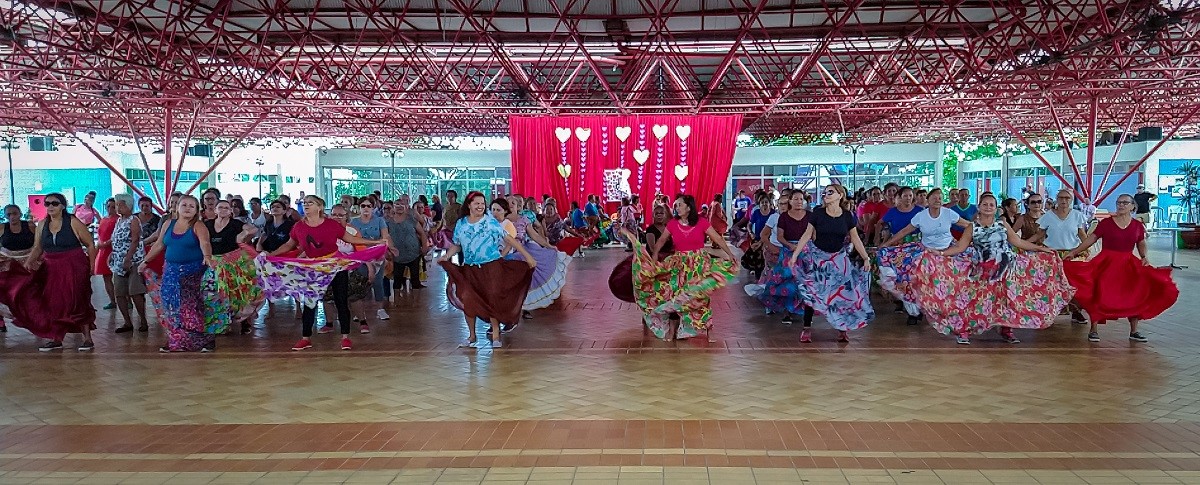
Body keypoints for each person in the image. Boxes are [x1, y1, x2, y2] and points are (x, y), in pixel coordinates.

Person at [931, 193, 1071, 344]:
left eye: (991, 205)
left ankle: (1006, 329)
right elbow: (960, 247)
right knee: (976, 301)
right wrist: (941, 253)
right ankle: (965, 330)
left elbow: (1017, 242)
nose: (988, 207)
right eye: (985, 204)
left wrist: (1040, 249)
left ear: (996, 208)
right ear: (979, 207)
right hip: (982, 270)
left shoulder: (1002, 225)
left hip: (1005, 269)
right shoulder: (972, 227)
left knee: (1005, 300)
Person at [270, 196, 388, 351]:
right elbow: (288, 245)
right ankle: (306, 338)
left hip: (335, 265)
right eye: (304, 203)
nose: (306, 205)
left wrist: (376, 242)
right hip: (314, 268)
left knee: (341, 301)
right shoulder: (299, 226)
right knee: (310, 303)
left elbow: (351, 239)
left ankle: (345, 337)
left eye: (309, 203)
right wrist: (272, 255)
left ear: (319, 207)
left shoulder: (331, 225)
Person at [624, 194, 739, 342]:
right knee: (675, 295)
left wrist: (729, 254)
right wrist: (654, 256)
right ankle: (672, 330)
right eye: (676, 205)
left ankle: (709, 329)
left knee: (699, 296)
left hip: (698, 264)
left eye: (679, 205)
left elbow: (717, 238)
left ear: (688, 207)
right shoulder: (672, 224)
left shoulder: (701, 222)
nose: (676, 208)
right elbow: (661, 240)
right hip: (679, 264)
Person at [1065, 194, 1179, 343]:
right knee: (1100, 294)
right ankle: (1093, 330)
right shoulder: (1106, 223)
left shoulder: (1138, 225)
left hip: (1128, 263)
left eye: (1125, 203)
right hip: (1106, 263)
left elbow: (1141, 242)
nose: (1121, 205)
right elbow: (1091, 239)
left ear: (1133, 206)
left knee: (1135, 294)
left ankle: (1134, 331)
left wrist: (1144, 256)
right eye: (1118, 202)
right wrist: (1074, 252)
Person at [438, 192, 536, 349]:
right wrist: (447, 255)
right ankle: (472, 336)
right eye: (477, 203)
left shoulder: (490, 222)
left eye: (483, 203)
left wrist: (527, 256)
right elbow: (457, 245)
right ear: (469, 205)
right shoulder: (461, 224)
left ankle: (496, 334)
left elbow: (508, 238)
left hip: (491, 267)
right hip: (470, 268)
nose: (480, 206)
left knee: (491, 298)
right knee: (467, 298)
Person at [9, 193, 98, 351]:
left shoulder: (72, 221)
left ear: (62, 205)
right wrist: (28, 263)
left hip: (73, 265)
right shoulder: (42, 224)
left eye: (54, 203)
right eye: (47, 203)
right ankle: (56, 338)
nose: (50, 206)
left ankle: (87, 339)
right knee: (53, 302)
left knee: (78, 299)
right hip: (52, 267)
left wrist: (91, 266)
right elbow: (38, 247)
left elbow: (90, 244)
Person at [787, 184, 875, 342]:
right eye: (825, 192)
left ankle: (842, 328)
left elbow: (855, 238)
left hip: (839, 260)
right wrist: (795, 255)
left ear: (840, 195)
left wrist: (865, 257)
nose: (826, 195)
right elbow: (807, 235)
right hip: (819, 259)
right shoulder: (818, 213)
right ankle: (807, 327)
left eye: (830, 192)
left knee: (843, 294)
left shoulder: (847, 216)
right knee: (814, 291)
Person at [879, 187, 973, 326]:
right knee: (911, 277)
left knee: (953, 278)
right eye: (934, 198)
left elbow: (968, 225)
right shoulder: (921, 216)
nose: (937, 200)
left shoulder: (948, 213)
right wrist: (886, 244)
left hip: (948, 250)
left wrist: (974, 236)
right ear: (927, 200)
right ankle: (914, 312)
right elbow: (905, 231)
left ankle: (949, 310)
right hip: (926, 251)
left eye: (940, 198)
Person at [205, 200, 262, 335]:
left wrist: (243, 235)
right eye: (220, 207)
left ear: (231, 211)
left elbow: (254, 229)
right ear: (215, 210)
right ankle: (222, 324)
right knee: (217, 294)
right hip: (215, 263)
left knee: (239, 293)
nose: (223, 210)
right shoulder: (207, 225)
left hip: (235, 263)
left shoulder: (236, 224)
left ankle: (245, 322)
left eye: (226, 207)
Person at [757, 190, 813, 326]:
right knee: (786, 280)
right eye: (796, 199)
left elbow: (813, 234)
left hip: (806, 252)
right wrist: (789, 246)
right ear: (790, 201)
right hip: (788, 252)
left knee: (805, 282)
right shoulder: (783, 217)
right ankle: (786, 311)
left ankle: (804, 311)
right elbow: (779, 236)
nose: (799, 202)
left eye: (801, 199)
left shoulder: (810, 216)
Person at [1038, 189, 1091, 324]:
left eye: (1067, 198)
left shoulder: (1077, 215)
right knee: (1051, 284)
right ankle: (1049, 312)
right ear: (1056, 199)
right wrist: (1025, 243)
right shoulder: (1048, 216)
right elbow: (1040, 234)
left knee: (1073, 284)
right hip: (1052, 254)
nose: (1063, 201)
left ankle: (1076, 311)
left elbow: (1082, 234)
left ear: (1071, 200)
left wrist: (1086, 248)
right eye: (1061, 197)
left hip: (1071, 254)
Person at [108, 194, 150, 334]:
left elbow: (135, 240)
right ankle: (127, 322)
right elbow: (116, 241)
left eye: (120, 205)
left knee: (135, 292)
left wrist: (128, 258)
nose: (118, 207)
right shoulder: (119, 220)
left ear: (128, 205)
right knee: (119, 292)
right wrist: (112, 254)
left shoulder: (134, 220)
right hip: (119, 261)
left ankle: (143, 320)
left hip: (134, 261)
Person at [351, 198, 392, 324]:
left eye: (369, 206)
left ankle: (380, 309)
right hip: (360, 255)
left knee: (378, 282)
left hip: (377, 255)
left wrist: (387, 247)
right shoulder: (354, 222)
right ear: (359, 207)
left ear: (373, 207)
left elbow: (385, 236)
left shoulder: (379, 220)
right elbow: (352, 239)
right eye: (363, 206)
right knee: (361, 283)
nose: (366, 208)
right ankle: (360, 312)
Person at [0, 204, 36, 333]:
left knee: (31, 290)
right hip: (7, 260)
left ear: (20, 214)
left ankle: (35, 319)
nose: (12, 217)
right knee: (3, 288)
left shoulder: (30, 226)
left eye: (14, 213)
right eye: (8, 214)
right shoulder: (2, 227)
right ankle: (1, 319)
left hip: (28, 260)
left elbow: (38, 243)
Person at [389, 199, 429, 291]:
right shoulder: (388, 221)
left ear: (406, 206)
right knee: (397, 281)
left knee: (415, 281)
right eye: (397, 204)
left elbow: (422, 233)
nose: (399, 207)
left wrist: (425, 246)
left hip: (414, 254)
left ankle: (416, 303)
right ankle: (397, 302)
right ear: (393, 207)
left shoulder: (411, 219)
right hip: (397, 256)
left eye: (402, 204)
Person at [94, 198, 118, 310]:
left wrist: (106, 243)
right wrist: (100, 243)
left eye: (113, 207)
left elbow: (117, 236)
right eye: (108, 206)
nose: (110, 209)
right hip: (103, 250)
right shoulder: (103, 219)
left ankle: (126, 300)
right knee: (106, 277)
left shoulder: (118, 220)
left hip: (114, 250)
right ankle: (112, 300)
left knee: (119, 277)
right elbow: (100, 234)